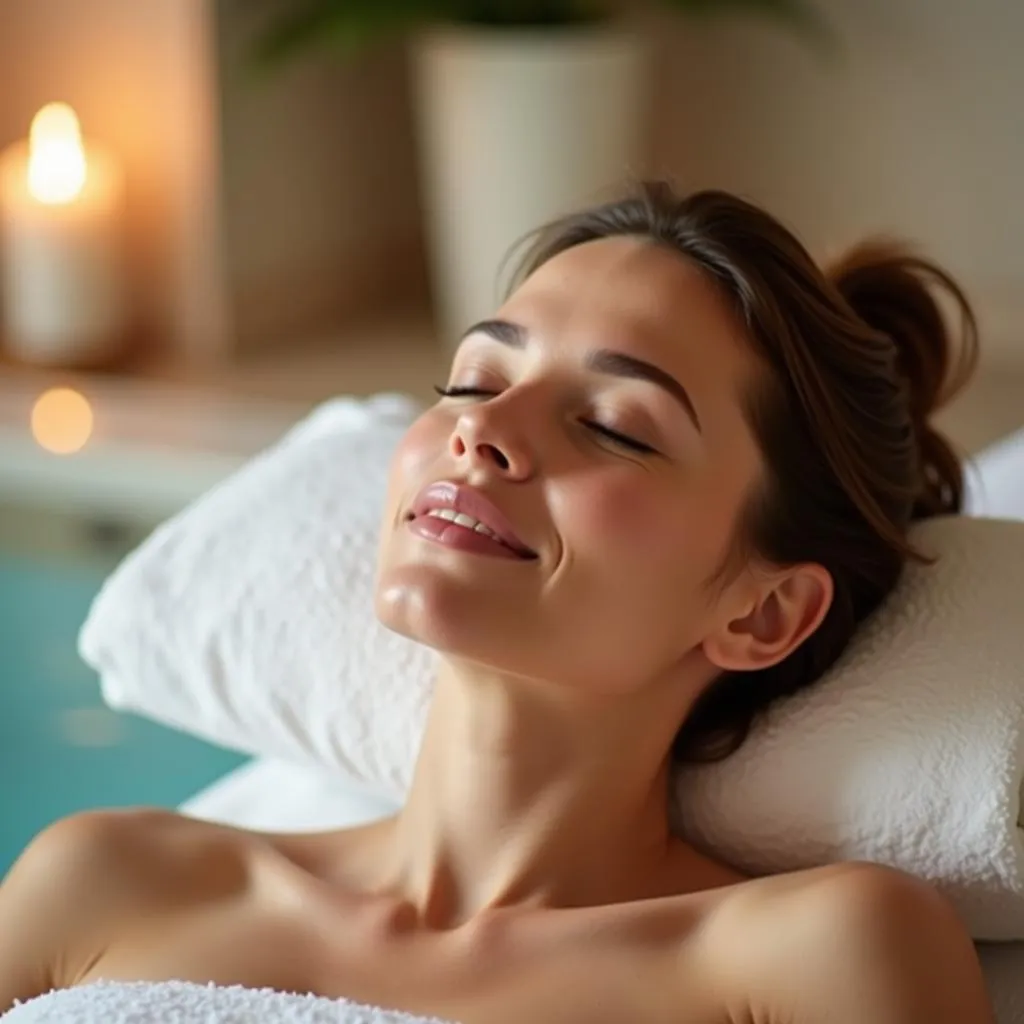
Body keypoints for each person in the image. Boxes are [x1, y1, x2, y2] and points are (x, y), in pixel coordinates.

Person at [0, 182, 994, 1023]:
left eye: (615, 426)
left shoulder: (812, 960)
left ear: (761, 613)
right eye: (474, 379)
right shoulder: (99, 881)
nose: (484, 432)